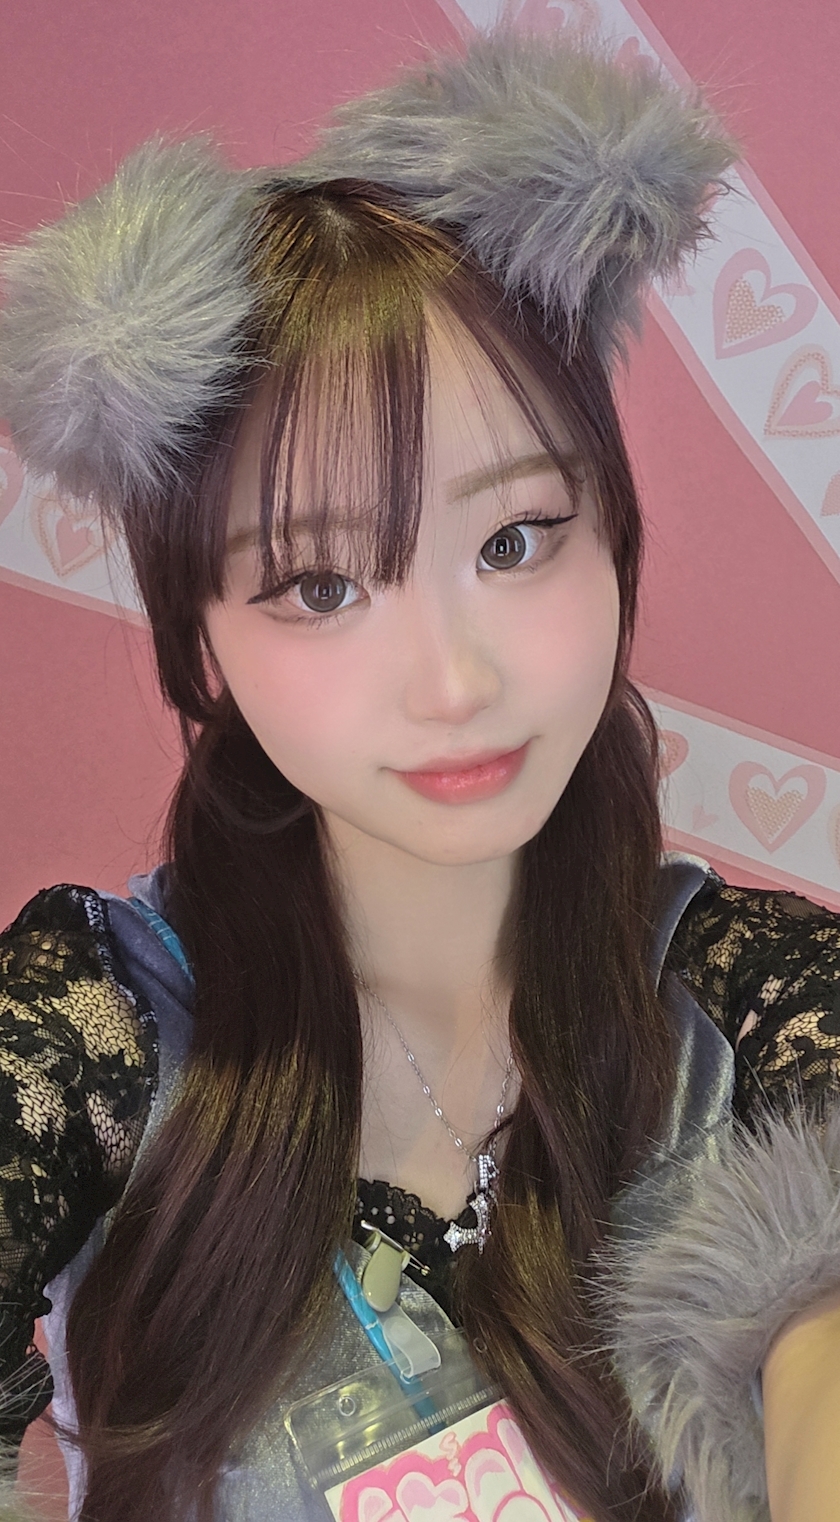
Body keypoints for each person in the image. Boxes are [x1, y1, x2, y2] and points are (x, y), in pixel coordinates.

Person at [0, 29, 838, 1522]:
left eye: (513, 541)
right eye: (320, 585)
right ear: (201, 634)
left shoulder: (757, 1015)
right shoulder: (90, 1039)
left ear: (612, 532)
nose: (453, 683)